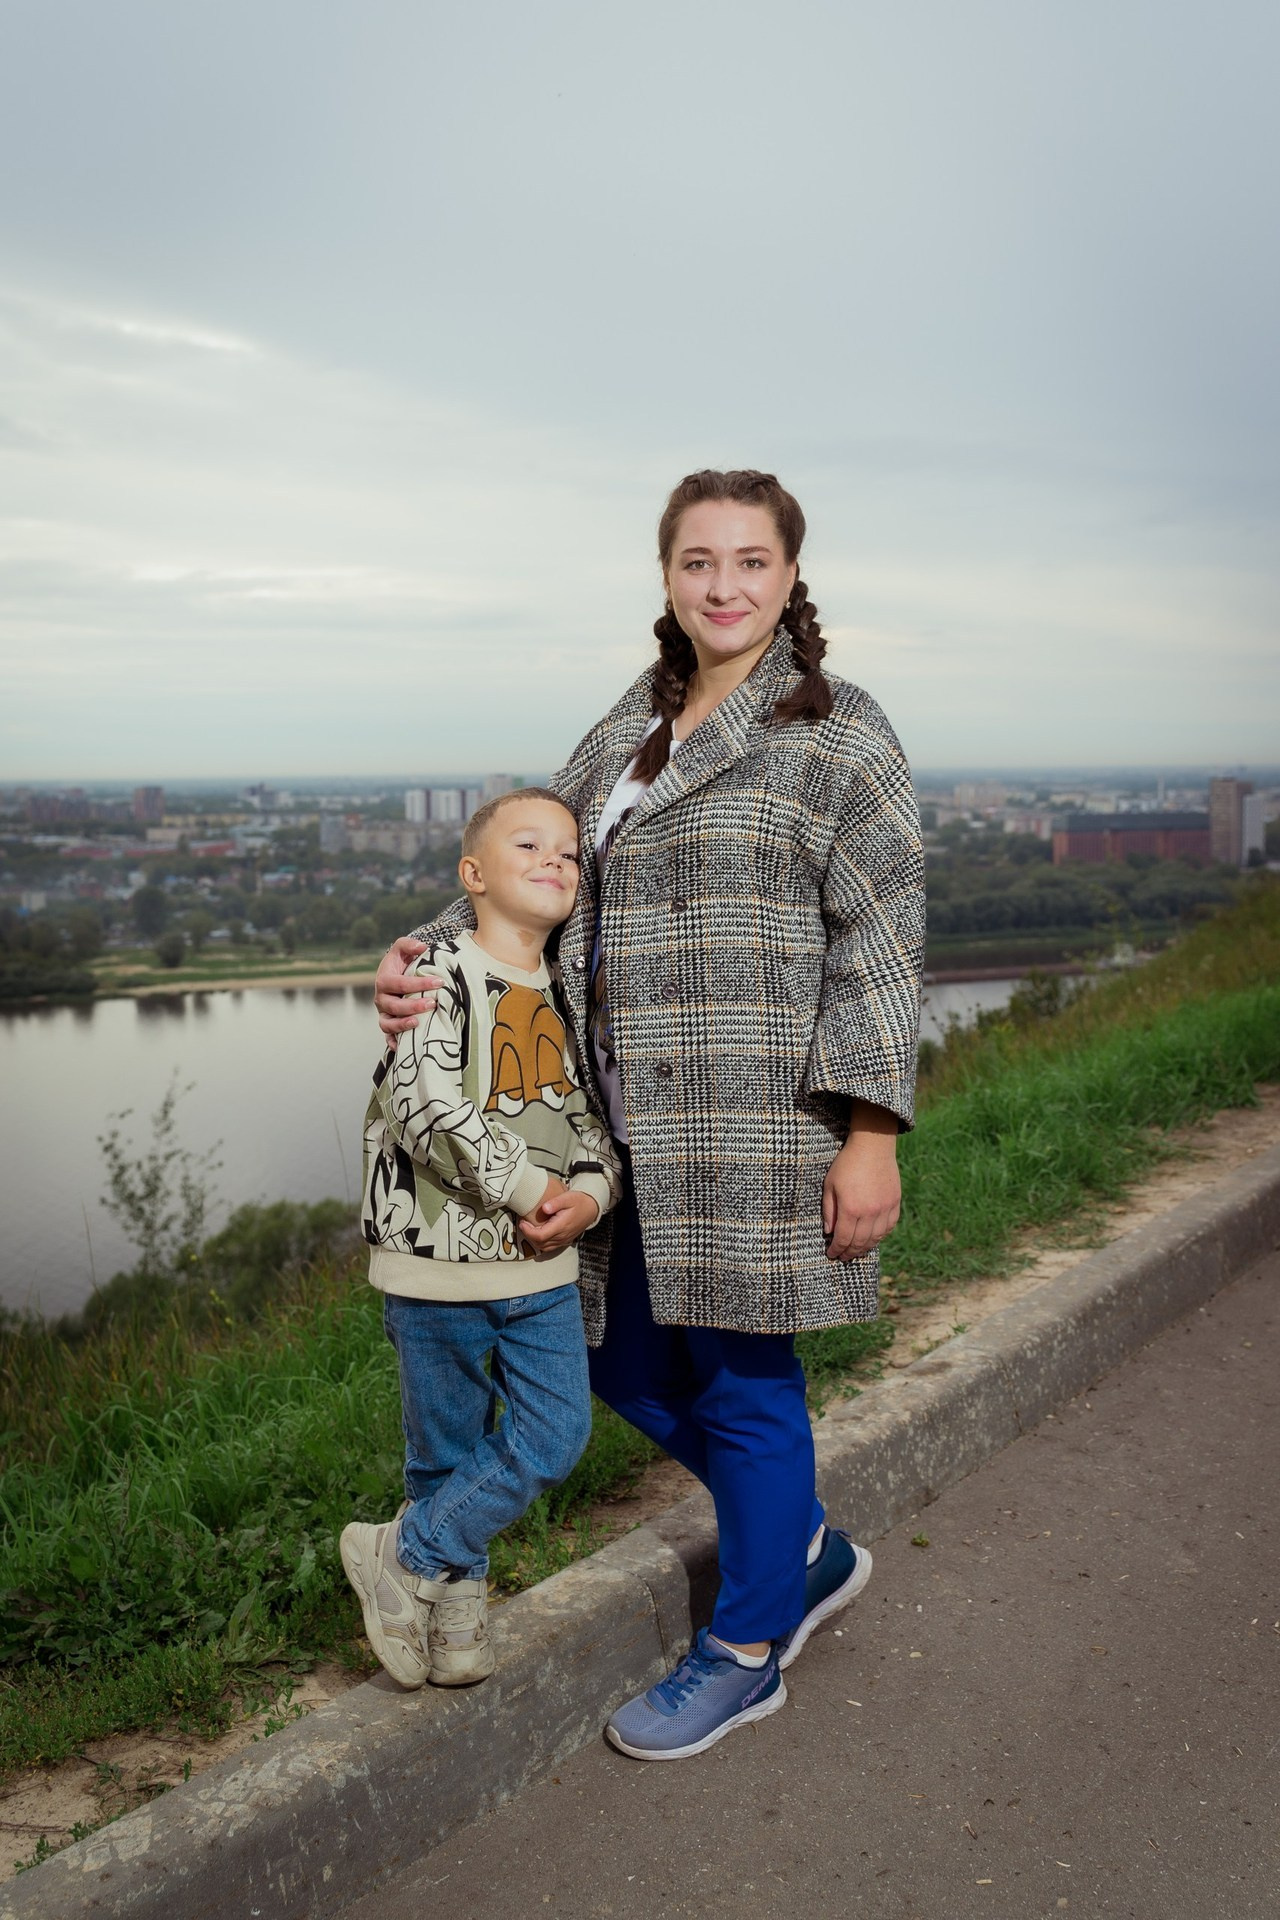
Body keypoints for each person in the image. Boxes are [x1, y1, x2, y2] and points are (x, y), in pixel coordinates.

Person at [375, 469, 924, 1758]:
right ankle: (797, 1544)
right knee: (611, 1358)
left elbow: (881, 942)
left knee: (742, 1381)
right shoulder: (633, 722)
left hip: (754, 1120)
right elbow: (537, 864)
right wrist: (425, 953)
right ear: (666, 577)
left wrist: (870, 1136)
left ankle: (747, 1649)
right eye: (697, 562)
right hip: (607, 1123)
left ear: (790, 576)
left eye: (749, 561)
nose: (723, 586)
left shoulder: (838, 732)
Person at [342, 789, 622, 1690]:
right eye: (528, 845)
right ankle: (452, 1614)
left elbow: (593, 1126)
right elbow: (424, 1107)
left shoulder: (570, 997)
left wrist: (590, 1197)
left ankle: (405, 1556)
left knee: (554, 1435)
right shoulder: (438, 974)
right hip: (433, 1267)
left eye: (568, 852)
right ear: (473, 875)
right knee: (445, 1454)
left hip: (540, 1266)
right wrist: (536, 1187)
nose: (554, 861)